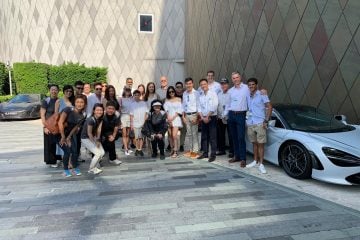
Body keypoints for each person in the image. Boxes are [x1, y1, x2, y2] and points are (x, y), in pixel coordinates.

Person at [245, 78, 272, 174]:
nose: (251, 86)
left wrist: (266, 120)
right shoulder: (248, 95)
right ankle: (255, 161)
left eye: (253, 84)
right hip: (250, 122)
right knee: (254, 143)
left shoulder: (262, 94)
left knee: (261, 144)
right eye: (249, 85)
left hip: (260, 122)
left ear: (256, 85)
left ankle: (261, 164)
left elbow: (269, 106)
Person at [225, 72, 250, 168]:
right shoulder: (230, 91)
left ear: (240, 78)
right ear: (232, 80)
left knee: (240, 137)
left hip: (241, 115)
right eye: (233, 78)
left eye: (237, 77)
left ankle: (243, 158)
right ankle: (237, 156)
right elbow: (228, 104)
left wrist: (263, 91)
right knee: (233, 137)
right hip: (232, 115)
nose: (235, 79)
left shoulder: (246, 88)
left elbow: (252, 95)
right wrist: (226, 114)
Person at [58, 95, 87, 177]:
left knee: (74, 152)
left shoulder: (83, 115)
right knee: (67, 152)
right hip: (59, 133)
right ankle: (65, 170)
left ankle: (74, 167)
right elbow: (60, 122)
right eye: (77, 102)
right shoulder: (68, 109)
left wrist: (69, 137)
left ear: (85, 104)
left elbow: (76, 127)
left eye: (82, 102)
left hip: (70, 134)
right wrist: (63, 136)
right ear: (74, 102)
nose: (79, 104)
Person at [40, 84, 62, 167]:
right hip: (48, 126)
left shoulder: (59, 100)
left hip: (56, 126)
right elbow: (42, 114)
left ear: (58, 91)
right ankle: (51, 161)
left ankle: (58, 159)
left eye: (55, 90)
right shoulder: (46, 101)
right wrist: (45, 126)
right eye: (52, 89)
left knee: (57, 143)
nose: (54, 91)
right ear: (49, 91)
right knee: (49, 144)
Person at [197, 79, 218, 162]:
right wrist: (202, 117)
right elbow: (199, 107)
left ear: (207, 85)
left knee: (213, 137)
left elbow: (215, 105)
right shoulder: (200, 96)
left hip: (211, 117)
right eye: (201, 84)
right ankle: (205, 153)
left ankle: (213, 154)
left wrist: (207, 116)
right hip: (203, 118)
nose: (203, 86)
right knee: (204, 136)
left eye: (204, 84)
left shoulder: (213, 94)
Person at [81, 103, 105, 174]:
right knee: (98, 153)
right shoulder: (90, 120)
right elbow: (89, 133)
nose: (99, 112)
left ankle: (95, 166)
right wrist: (95, 143)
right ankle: (91, 169)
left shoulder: (100, 119)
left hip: (93, 137)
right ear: (94, 111)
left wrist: (98, 139)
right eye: (97, 110)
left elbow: (98, 130)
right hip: (85, 138)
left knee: (102, 153)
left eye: (101, 110)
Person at [182, 77, 200, 159]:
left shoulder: (196, 93)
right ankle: (190, 150)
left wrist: (197, 117)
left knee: (194, 134)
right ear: (185, 85)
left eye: (190, 83)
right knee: (189, 134)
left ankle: (195, 151)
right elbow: (183, 105)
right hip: (187, 115)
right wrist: (183, 116)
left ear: (192, 84)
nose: (188, 85)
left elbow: (198, 105)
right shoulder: (184, 93)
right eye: (187, 84)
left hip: (194, 115)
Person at [216, 78, 234, 158]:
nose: (223, 85)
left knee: (231, 135)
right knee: (221, 135)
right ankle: (221, 150)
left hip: (229, 117)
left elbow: (230, 106)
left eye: (225, 84)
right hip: (220, 117)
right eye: (222, 84)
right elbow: (217, 105)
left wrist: (225, 115)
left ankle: (232, 151)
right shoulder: (219, 94)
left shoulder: (231, 93)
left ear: (228, 84)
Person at [164, 86, 183, 158]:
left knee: (174, 135)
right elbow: (166, 110)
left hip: (176, 118)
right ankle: (172, 149)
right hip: (168, 118)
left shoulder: (179, 99)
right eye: (170, 92)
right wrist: (168, 118)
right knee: (170, 136)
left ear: (174, 91)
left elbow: (179, 110)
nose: (171, 93)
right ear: (168, 93)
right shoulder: (166, 100)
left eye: (172, 91)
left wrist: (173, 117)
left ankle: (175, 150)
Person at [101, 101, 122, 165]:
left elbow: (116, 127)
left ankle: (112, 159)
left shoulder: (116, 117)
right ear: (106, 108)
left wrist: (113, 136)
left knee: (111, 141)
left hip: (111, 132)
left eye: (112, 109)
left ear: (115, 110)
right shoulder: (102, 116)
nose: (110, 110)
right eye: (109, 108)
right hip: (101, 132)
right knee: (101, 144)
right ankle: (98, 159)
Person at [130, 90, 148, 156]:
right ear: (133, 96)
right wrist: (131, 124)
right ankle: (137, 149)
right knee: (136, 137)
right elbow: (131, 115)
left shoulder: (144, 103)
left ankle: (140, 149)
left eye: (138, 95)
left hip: (142, 122)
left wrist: (144, 122)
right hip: (135, 123)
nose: (136, 96)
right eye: (135, 95)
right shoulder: (132, 104)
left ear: (140, 95)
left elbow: (146, 113)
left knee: (141, 137)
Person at [119, 87, 133, 155]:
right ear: (124, 91)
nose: (127, 92)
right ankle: (125, 149)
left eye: (128, 90)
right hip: (123, 116)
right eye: (126, 90)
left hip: (130, 117)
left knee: (128, 134)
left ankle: (128, 146)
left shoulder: (132, 99)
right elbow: (119, 109)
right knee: (124, 134)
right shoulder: (121, 99)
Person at [175, 81, 186, 152]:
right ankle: (172, 144)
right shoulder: (173, 95)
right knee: (174, 132)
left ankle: (181, 145)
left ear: (182, 88)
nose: (179, 88)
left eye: (180, 87)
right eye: (177, 87)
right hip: (175, 117)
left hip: (183, 116)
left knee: (183, 131)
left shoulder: (185, 95)